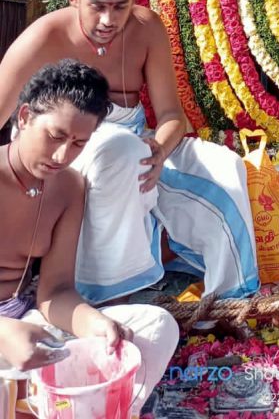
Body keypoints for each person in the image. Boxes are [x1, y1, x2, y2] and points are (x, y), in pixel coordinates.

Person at [0, 0, 258, 305]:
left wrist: (159, 151)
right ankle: (110, 296)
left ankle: (232, 299)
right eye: (97, 6)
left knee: (225, 166)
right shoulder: (45, 35)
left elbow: (172, 116)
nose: (108, 19)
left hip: (141, 139)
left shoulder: (147, 27)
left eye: (120, 7)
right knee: (118, 152)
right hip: (68, 142)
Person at [0, 61, 179, 417]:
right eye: (55, 136)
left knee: (156, 328)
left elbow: (55, 293)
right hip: (8, 333)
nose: (62, 155)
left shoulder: (68, 187)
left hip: (27, 323)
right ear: (23, 117)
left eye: (78, 143)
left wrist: (95, 324)